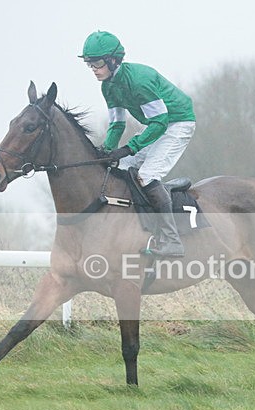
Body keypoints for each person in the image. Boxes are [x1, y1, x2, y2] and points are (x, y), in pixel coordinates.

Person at [80, 30, 195, 257]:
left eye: (98, 63)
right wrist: (106, 151)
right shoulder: (108, 86)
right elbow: (117, 125)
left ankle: (172, 241)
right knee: (122, 169)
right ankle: (148, 210)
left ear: (113, 61)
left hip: (178, 122)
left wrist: (130, 147)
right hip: (159, 124)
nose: (93, 69)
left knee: (146, 176)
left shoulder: (139, 82)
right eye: (90, 64)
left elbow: (160, 122)